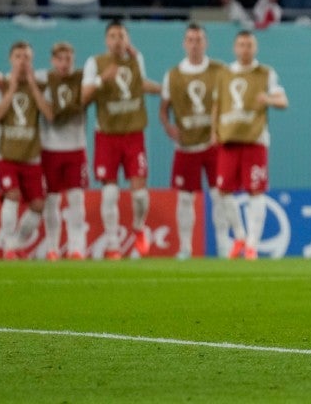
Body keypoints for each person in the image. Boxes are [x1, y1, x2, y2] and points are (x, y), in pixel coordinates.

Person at [81, 20, 161, 260]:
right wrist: (101, 80)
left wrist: (163, 89)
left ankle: (138, 228)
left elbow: (140, 84)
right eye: (113, 36)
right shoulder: (95, 63)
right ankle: (114, 244)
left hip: (134, 134)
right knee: (109, 193)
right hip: (106, 136)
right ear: (107, 41)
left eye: (121, 36)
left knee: (139, 194)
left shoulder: (137, 60)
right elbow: (83, 97)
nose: (117, 40)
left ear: (127, 40)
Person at [212, 30, 289, 260]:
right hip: (228, 139)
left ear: (255, 48)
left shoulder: (265, 73)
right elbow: (216, 105)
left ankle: (253, 244)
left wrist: (269, 100)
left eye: (249, 45)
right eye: (241, 45)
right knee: (223, 190)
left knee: (256, 191)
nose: (245, 49)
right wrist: (213, 131)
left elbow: (283, 101)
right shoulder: (224, 74)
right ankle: (240, 236)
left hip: (255, 140)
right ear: (235, 48)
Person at [159, 24, 226, 259]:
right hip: (186, 146)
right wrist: (168, 127)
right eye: (190, 40)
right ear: (184, 44)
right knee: (185, 198)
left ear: (205, 43)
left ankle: (223, 246)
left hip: (213, 144)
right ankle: (186, 247)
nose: (195, 44)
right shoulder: (173, 74)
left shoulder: (219, 70)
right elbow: (163, 108)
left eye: (199, 40)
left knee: (220, 195)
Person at [0, 41, 54, 259]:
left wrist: (33, 86)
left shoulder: (41, 84)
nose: (22, 61)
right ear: (10, 60)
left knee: (38, 205)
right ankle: (7, 246)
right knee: (13, 196)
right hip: (5, 152)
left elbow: (49, 114)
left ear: (32, 61)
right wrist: (13, 88)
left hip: (31, 155)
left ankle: (16, 242)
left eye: (26, 57)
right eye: (18, 56)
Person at [37, 42, 89, 260]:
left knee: (76, 199)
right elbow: (13, 78)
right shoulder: (43, 80)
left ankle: (77, 247)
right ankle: (52, 247)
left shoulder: (82, 79)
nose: (64, 63)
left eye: (68, 59)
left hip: (76, 148)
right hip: (50, 149)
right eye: (60, 59)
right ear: (52, 61)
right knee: (52, 201)